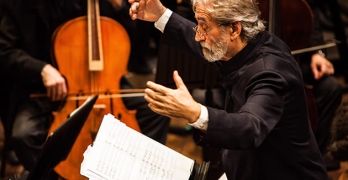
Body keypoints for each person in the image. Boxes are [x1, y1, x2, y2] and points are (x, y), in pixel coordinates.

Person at [127, 0, 328, 179]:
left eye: (204, 27)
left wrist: (195, 112)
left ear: (234, 29)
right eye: (199, 25)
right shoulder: (244, 45)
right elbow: (203, 43)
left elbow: (250, 127)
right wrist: (161, 14)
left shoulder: (270, 73)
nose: (198, 36)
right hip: (248, 167)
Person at [0, 0, 170, 177]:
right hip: (44, 90)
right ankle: (55, 176)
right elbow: (5, 50)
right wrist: (41, 69)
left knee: (158, 109)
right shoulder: (17, 4)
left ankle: (134, 173)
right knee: (23, 135)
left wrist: (119, 9)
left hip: (105, 84)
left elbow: (134, 45)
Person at [301, 0, 343, 170]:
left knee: (331, 87)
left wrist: (317, 53)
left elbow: (308, 17)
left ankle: (320, 155)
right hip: (259, 67)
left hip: (297, 61)